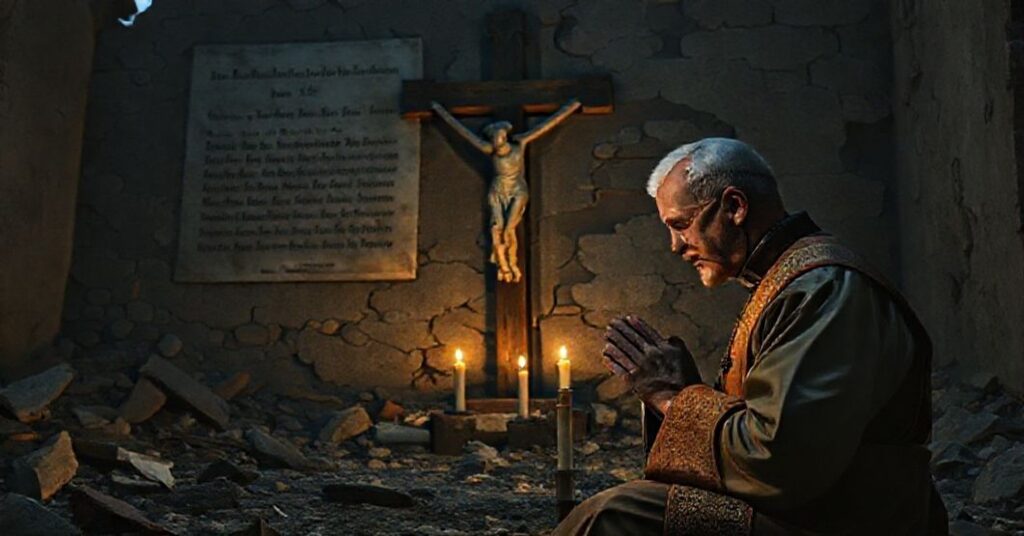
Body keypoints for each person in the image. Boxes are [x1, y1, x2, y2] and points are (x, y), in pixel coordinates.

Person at [553, 138, 947, 535]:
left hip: (843, 522)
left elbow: (783, 463)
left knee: (613, 515)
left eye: (681, 225)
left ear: (735, 207)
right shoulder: (785, 279)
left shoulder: (825, 288)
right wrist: (685, 394)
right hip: (810, 509)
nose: (675, 247)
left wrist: (674, 398)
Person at [431, 99, 581, 283]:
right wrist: (441, 112)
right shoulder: (489, 150)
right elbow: (464, 133)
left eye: (499, 138)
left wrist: (570, 108)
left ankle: (511, 265)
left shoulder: (520, 144)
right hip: (498, 190)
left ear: (504, 137)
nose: (496, 142)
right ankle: (504, 266)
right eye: (494, 139)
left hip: (517, 189)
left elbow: (544, 126)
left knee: (510, 228)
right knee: (497, 228)